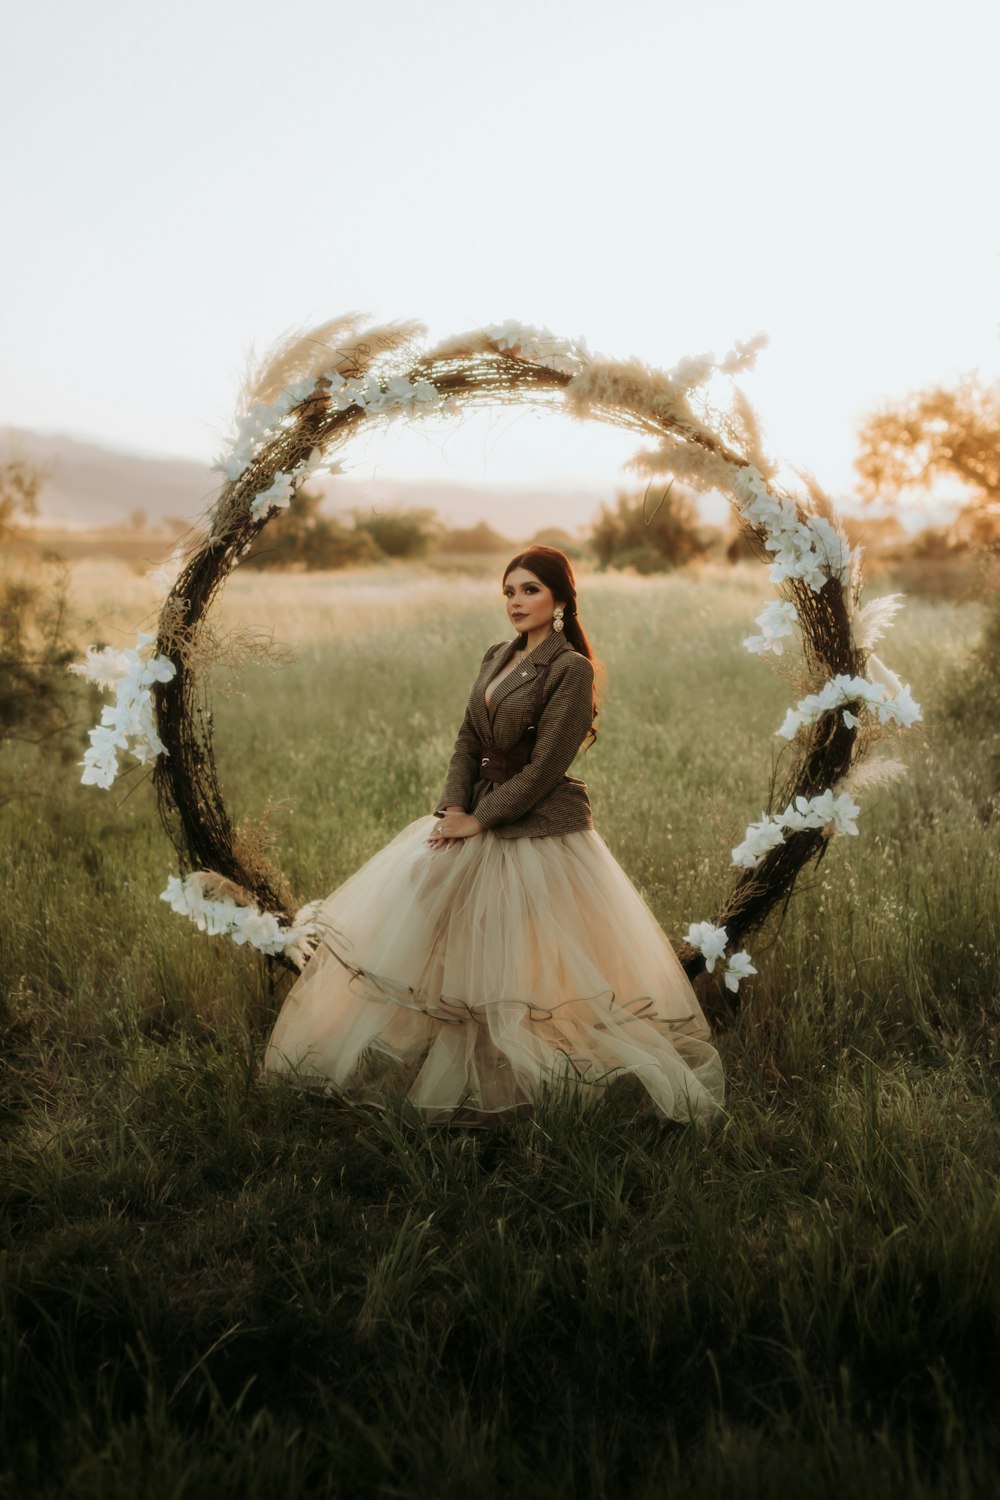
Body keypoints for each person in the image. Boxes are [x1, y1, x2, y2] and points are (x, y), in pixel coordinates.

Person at [262, 546, 724, 1126]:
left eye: (530, 590)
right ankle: (438, 1055)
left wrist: (482, 820)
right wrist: (453, 808)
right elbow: (466, 741)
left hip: (536, 826)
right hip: (472, 809)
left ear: (559, 598)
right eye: (509, 591)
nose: (515, 602)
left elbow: (545, 767)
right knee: (431, 920)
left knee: (518, 953)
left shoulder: (570, 668)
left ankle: (525, 1075)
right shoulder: (495, 656)